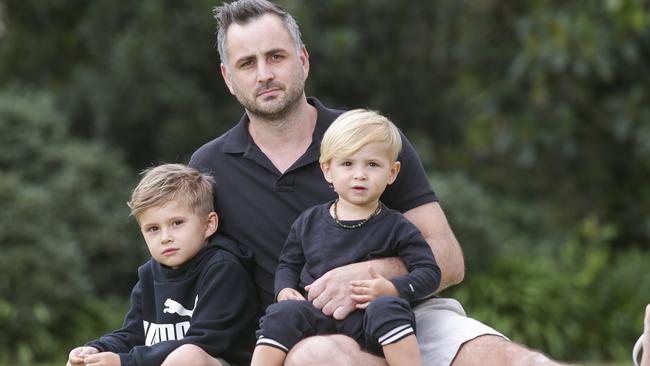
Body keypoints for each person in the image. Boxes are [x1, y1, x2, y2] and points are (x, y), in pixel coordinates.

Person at [189, 0, 565, 364]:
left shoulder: (370, 138)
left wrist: (371, 276)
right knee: (317, 357)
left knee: (507, 358)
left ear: (302, 59)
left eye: (276, 57)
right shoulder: (209, 167)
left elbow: (449, 259)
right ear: (228, 77)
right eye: (247, 63)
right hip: (299, 334)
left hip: (400, 313)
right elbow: (177, 276)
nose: (264, 74)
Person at [251, 109, 441, 366]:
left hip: (369, 320)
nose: (359, 174)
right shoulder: (309, 221)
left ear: (392, 172)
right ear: (328, 170)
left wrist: (393, 288)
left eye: (372, 164)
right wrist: (284, 290)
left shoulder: (397, 226)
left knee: (388, 307)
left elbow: (429, 272)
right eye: (347, 164)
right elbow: (288, 264)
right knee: (282, 313)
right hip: (316, 314)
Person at [65, 164, 259, 366]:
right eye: (153, 228)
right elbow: (133, 334)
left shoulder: (223, 268)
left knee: (187, 357)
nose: (165, 238)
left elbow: (205, 341)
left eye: (177, 223)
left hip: (214, 361)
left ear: (209, 224)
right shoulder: (149, 275)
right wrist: (98, 349)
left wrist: (125, 362)